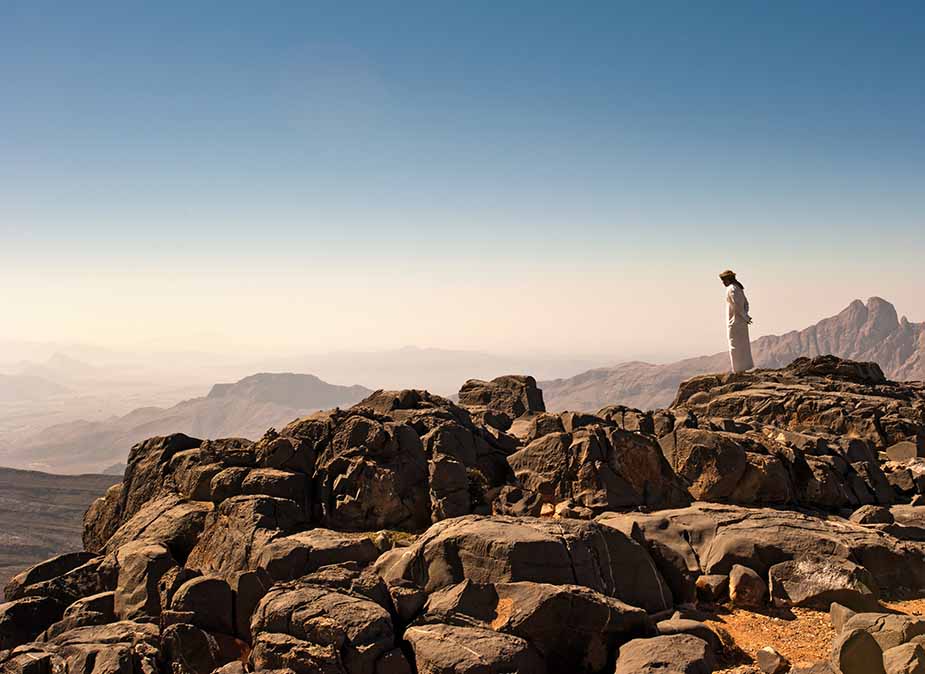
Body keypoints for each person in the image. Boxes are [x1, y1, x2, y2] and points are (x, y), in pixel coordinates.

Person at [720, 269, 754, 373]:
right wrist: (745, 316)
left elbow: (738, 306)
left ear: (728, 279)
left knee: (735, 345)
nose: (723, 283)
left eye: (723, 280)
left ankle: (739, 370)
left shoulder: (732, 289)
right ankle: (741, 369)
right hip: (740, 321)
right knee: (741, 345)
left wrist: (745, 317)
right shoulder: (738, 288)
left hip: (735, 322)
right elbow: (746, 304)